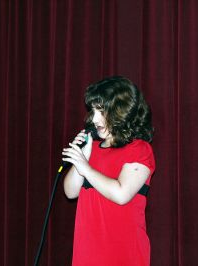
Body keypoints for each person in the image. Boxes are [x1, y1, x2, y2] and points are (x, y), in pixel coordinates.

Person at [62, 76, 155, 266]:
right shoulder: (92, 148)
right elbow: (70, 192)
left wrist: (86, 168)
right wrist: (83, 157)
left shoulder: (140, 149)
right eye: (93, 111)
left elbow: (121, 194)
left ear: (120, 111)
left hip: (122, 254)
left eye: (101, 111)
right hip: (87, 253)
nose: (94, 119)